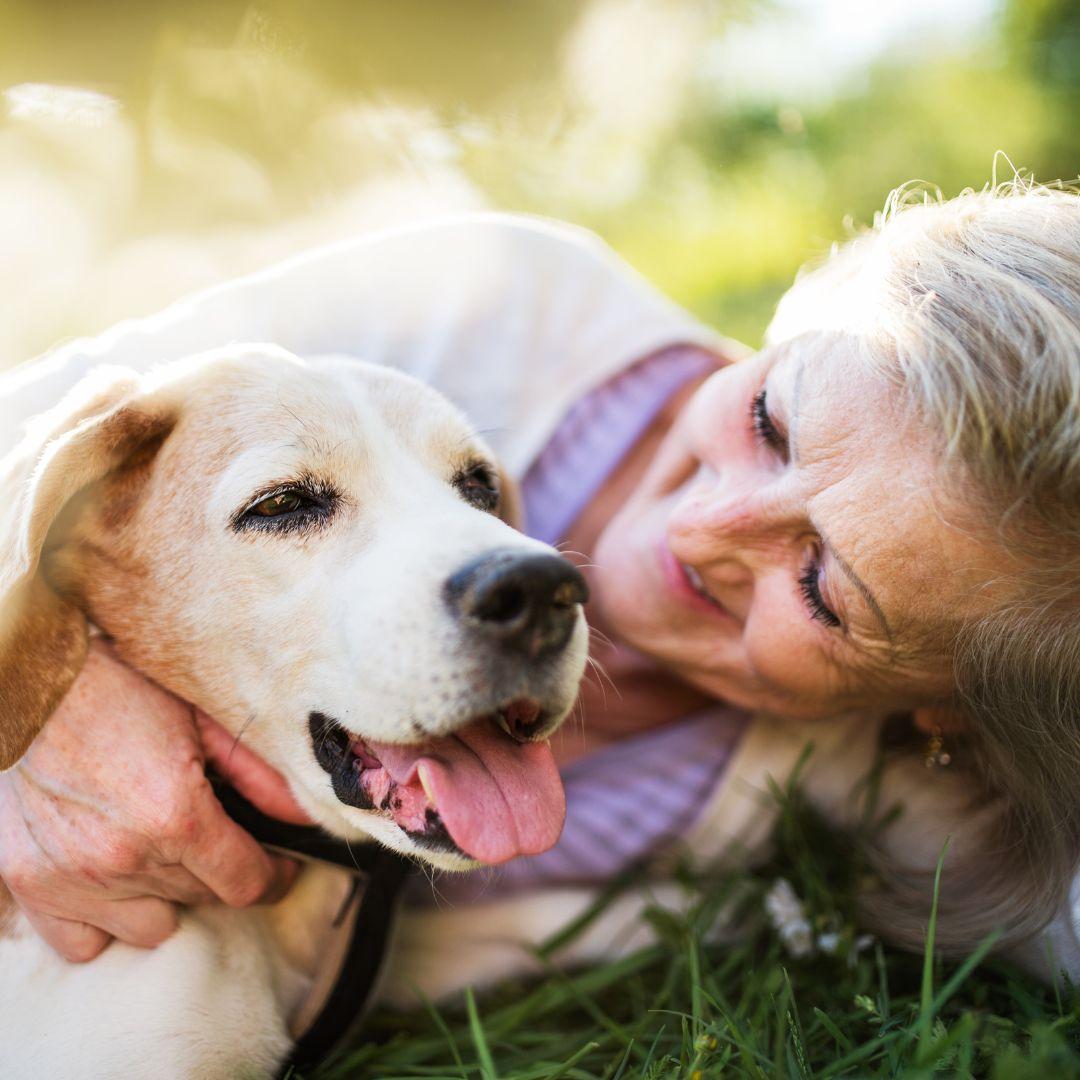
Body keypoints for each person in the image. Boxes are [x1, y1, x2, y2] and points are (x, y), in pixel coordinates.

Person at [0, 182, 1077, 997]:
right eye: (769, 421)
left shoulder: (906, 784)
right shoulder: (499, 299)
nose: (699, 529)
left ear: (949, 706)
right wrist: (42, 694)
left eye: (824, 588)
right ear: (796, 320)